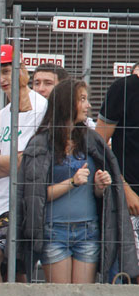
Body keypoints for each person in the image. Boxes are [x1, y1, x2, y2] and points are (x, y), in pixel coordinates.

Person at [18, 79, 138, 283]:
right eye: (82, 99)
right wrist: (71, 182)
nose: (88, 105)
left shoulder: (92, 140)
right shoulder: (41, 143)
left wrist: (101, 186)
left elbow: (98, 194)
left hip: (88, 232)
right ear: (66, 103)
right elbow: (34, 195)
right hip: (54, 232)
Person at [0, 45, 48, 282]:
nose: (1, 78)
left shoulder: (41, 108)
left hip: (25, 202)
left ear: (22, 70)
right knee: (8, 271)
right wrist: (13, 160)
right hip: (0, 204)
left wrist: (1, 160)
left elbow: (30, 162)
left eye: (7, 70)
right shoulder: (2, 114)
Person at [96, 62, 139, 273]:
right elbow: (99, 145)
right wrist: (125, 189)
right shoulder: (125, 88)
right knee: (130, 273)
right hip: (131, 203)